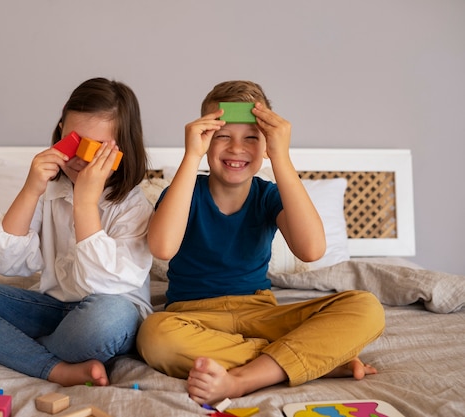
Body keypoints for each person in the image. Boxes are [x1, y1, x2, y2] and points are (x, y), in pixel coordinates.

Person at [136, 80, 385, 404]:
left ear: (266, 145)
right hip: (192, 317)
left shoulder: (268, 195)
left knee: (367, 308)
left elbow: (311, 251)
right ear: (206, 141)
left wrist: (280, 157)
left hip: (261, 314)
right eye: (222, 136)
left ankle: (243, 378)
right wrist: (190, 156)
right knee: (154, 335)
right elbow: (162, 248)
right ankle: (306, 360)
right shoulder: (184, 191)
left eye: (252, 138)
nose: (237, 149)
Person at [0, 77, 154, 387]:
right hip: (52, 308)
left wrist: (85, 203)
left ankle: (19, 350)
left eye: (95, 149)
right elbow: (7, 263)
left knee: (108, 319)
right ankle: (55, 367)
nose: (78, 157)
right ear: (60, 129)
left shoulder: (132, 204)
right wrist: (31, 189)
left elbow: (103, 283)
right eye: (73, 140)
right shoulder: (50, 190)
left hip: (107, 314)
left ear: (120, 149)